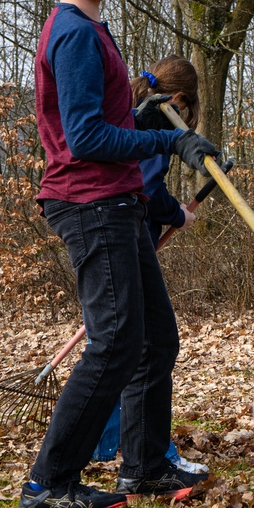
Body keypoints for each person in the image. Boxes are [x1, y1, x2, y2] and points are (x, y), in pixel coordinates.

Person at [20, 0, 219, 508]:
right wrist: (167, 141)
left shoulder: (93, 31)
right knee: (114, 343)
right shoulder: (74, 32)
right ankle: (48, 483)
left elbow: (113, 131)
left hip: (119, 201)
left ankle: (145, 465)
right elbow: (83, 139)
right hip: (89, 203)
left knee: (156, 339)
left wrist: (154, 144)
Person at [92, 56, 208, 475]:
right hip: (125, 225)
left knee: (122, 340)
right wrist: (178, 214)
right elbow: (145, 185)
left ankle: (110, 444)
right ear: (179, 99)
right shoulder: (158, 120)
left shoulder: (131, 109)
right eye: (188, 109)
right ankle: (145, 453)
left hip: (111, 223)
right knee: (140, 344)